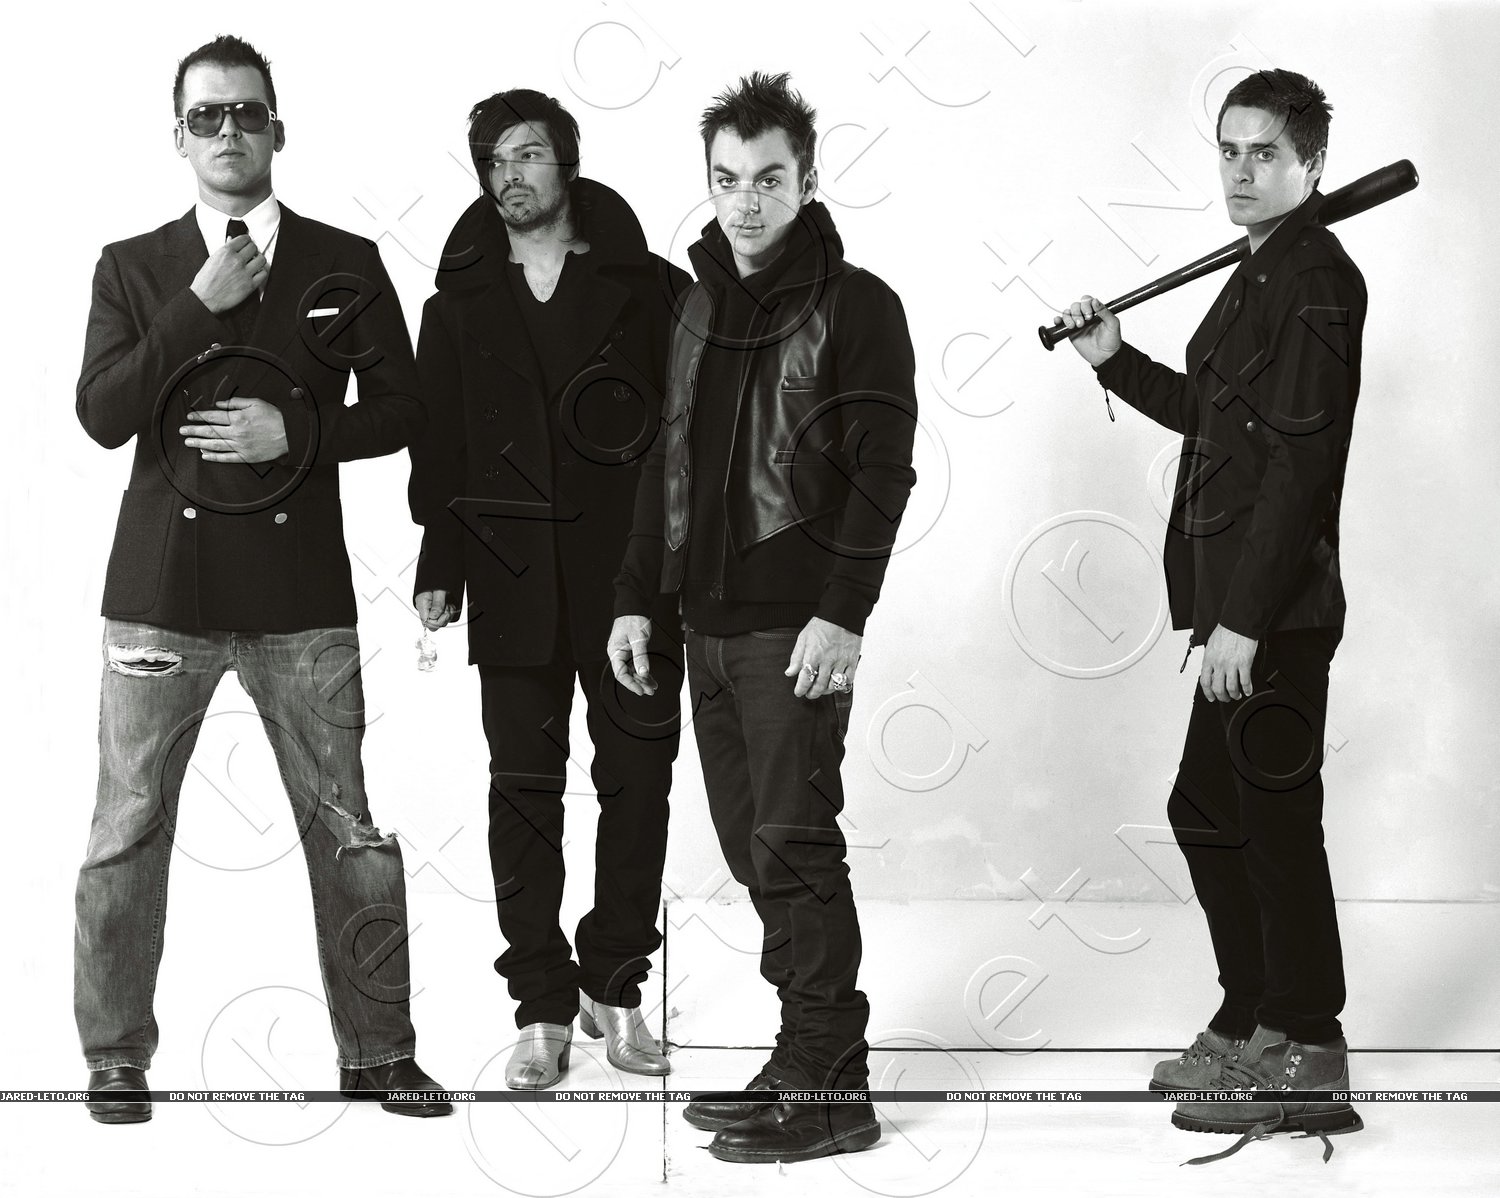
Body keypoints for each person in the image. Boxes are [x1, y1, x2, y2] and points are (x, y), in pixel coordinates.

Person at [73, 34, 449, 1123]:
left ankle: (379, 1053)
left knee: (349, 829)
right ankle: (114, 1057)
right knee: (125, 828)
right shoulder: (133, 266)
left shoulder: (344, 260)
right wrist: (195, 303)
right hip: (162, 596)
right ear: (179, 137)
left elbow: (408, 408)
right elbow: (101, 415)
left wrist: (301, 430)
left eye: (247, 112)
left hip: (300, 594)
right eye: (207, 115)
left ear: (277, 129)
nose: (228, 130)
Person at [610, 71, 918, 1164]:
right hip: (704, 629)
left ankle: (834, 1086)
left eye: (769, 179)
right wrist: (636, 598)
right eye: (728, 179)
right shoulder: (695, 305)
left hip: (795, 632)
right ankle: (804, 1057)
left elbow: (884, 475)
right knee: (756, 850)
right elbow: (666, 461)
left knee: (795, 846)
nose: (747, 201)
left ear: (808, 180)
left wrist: (843, 616)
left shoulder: (858, 306)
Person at [1058, 68, 1367, 1156]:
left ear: (1311, 165)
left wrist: (1244, 619)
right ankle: (1252, 1017)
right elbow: (1215, 417)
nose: (1241, 171)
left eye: (1264, 153)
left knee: (1273, 823)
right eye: (1229, 151)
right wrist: (1114, 361)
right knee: (1206, 808)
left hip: (1273, 612)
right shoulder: (1260, 271)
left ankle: (1309, 1045)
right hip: (1238, 606)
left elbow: (1298, 466)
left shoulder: (1313, 279)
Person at [406, 89, 687, 1089]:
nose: (510, 174)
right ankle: (541, 1005)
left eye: (527, 154)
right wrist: (440, 562)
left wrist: (664, 575)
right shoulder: (456, 306)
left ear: (568, 163)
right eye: (494, 159)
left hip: (631, 581)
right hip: (511, 573)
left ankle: (616, 981)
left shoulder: (650, 289)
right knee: (522, 794)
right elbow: (440, 444)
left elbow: (679, 439)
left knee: (638, 782)